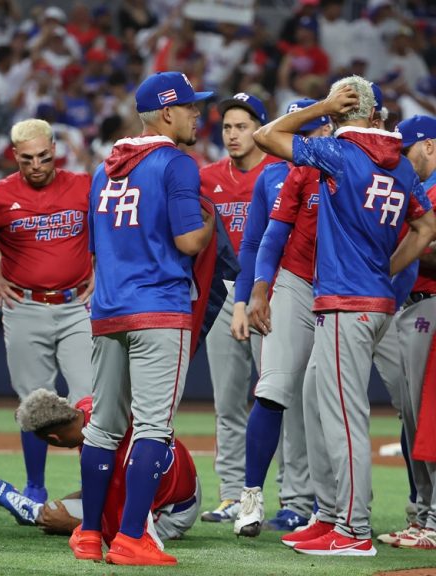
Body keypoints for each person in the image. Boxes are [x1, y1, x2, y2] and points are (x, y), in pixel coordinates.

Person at [253, 75, 436, 556]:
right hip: (373, 300)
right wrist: (387, 268)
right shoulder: (398, 164)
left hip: (346, 301)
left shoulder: (341, 151)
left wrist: (320, 105)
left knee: (343, 416)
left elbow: (264, 135)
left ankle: (353, 530)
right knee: (319, 402)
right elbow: (426, 227)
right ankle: (330, 514)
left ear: (339, 111)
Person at [73, 71, 214, 566]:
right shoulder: (177, 163)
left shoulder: (103, 169)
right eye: (193, 107)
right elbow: (187, 242)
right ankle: (132, 538)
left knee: (104, 429)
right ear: (168, 113)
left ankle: (90, 535)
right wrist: (210, 224)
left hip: (109, 309)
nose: (199, 114)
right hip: (159, 307)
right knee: (153, 427)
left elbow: (95, 248)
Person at [231, 99, 333, 535]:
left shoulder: (353, 165)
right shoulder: (280, 174)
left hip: (342, 288)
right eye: (298, 131)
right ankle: (250, 497)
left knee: (328, 400)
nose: (304, 140)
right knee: (271, 389)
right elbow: (262, 238)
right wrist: (255, 290)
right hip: (293, 282)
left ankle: (330, 506)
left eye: (311, 130)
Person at [0, 118, 93, 505]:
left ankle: (95, 487)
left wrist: (104, 270)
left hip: (77, 303)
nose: (36, 165)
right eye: (27, 159)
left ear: (54, 151)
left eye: (44, 157)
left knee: (88, 400)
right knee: (33, 400)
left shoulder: (83, 185)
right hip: (25, 305)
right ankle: (35, 488)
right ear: (14, 157)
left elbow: (114, 227)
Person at [199, 92, 280, 523]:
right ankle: (231, 494)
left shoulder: (278, 173)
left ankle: (292, 499)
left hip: (271, 290)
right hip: (224, 292)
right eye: (227, 127)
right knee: (227, 402)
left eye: (242, 126)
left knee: (274, 396)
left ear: (261, 129)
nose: (232, 134)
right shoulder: (208, 176)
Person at [0, 390, 201, 543]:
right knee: (77, 501)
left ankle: (33, 511)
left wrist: (70, 524)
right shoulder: (87, 406)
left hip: (172, 513)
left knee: (57, 515)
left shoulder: (110, 456)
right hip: (180, 480)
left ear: (54, 438)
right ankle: (41, 510)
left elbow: (120, 525)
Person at [384, 114, 436, 549]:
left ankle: (433, 518)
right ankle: (422, 513)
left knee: (430, 418)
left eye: (407, 150)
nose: (401, 158)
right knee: (414, 418)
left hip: (430, 308)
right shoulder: (408, 189)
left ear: (430, 146)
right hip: (408, 306)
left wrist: (408, 248)